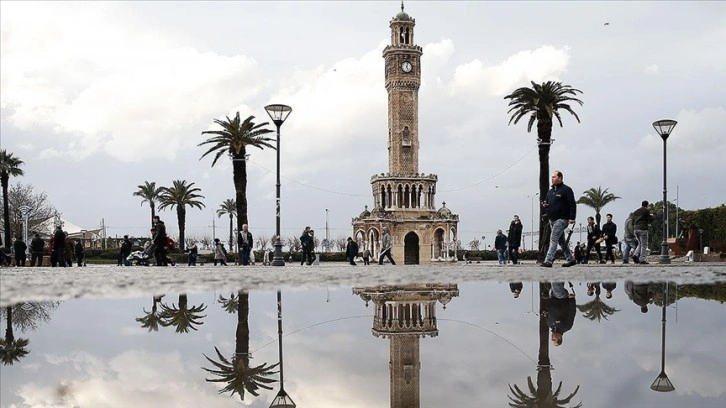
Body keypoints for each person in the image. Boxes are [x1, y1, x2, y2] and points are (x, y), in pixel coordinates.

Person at [541, 170, 577, 267]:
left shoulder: (566, 190)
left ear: (560, 178)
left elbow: (572, 204)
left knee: (553, 239)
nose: (552, 179)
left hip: (562, 219)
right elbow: (548, 203)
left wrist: (572, 217)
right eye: (551, 177)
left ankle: (549, 260)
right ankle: (570, 259)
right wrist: (545, 205)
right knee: (561, 241)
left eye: (554, 177)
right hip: (552, 219)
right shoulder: (550, 192)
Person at [546, 282, 576, 346]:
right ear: (559, 338)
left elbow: (548, 311)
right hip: (561, 297)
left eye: (552, 340)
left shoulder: (549, 324)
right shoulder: (566, 327)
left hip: (552, 296)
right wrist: (572, 300)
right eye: (554, 339)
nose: (551, 339)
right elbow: (572, 313)